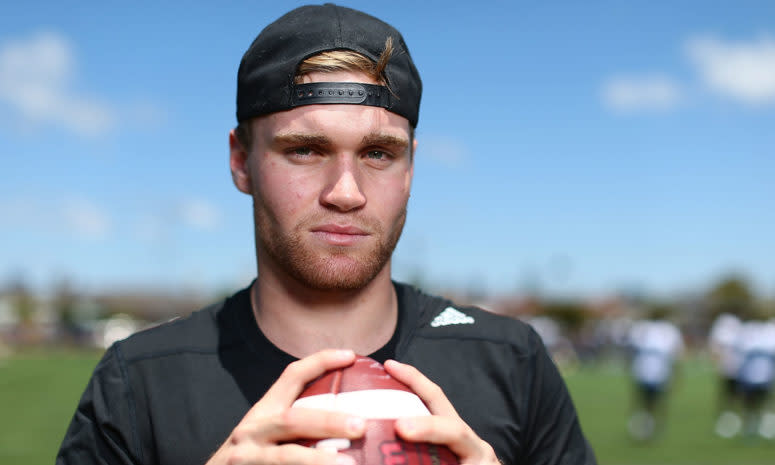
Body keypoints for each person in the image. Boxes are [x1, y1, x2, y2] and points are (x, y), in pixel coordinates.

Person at [56, 4, 597, 464]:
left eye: (378, 153)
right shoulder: (141, 383)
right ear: (241, 161)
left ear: (410, 171)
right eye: (305, 150)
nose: (346, 191)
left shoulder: (510, 361)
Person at [626, 317, 684, 440]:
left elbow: (675, 354)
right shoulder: (643, 328)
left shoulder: (667, 331)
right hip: (644, 373)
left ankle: (655, 427)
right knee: (645, 402)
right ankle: (646, 426)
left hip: (658, 374)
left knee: (657, 402)